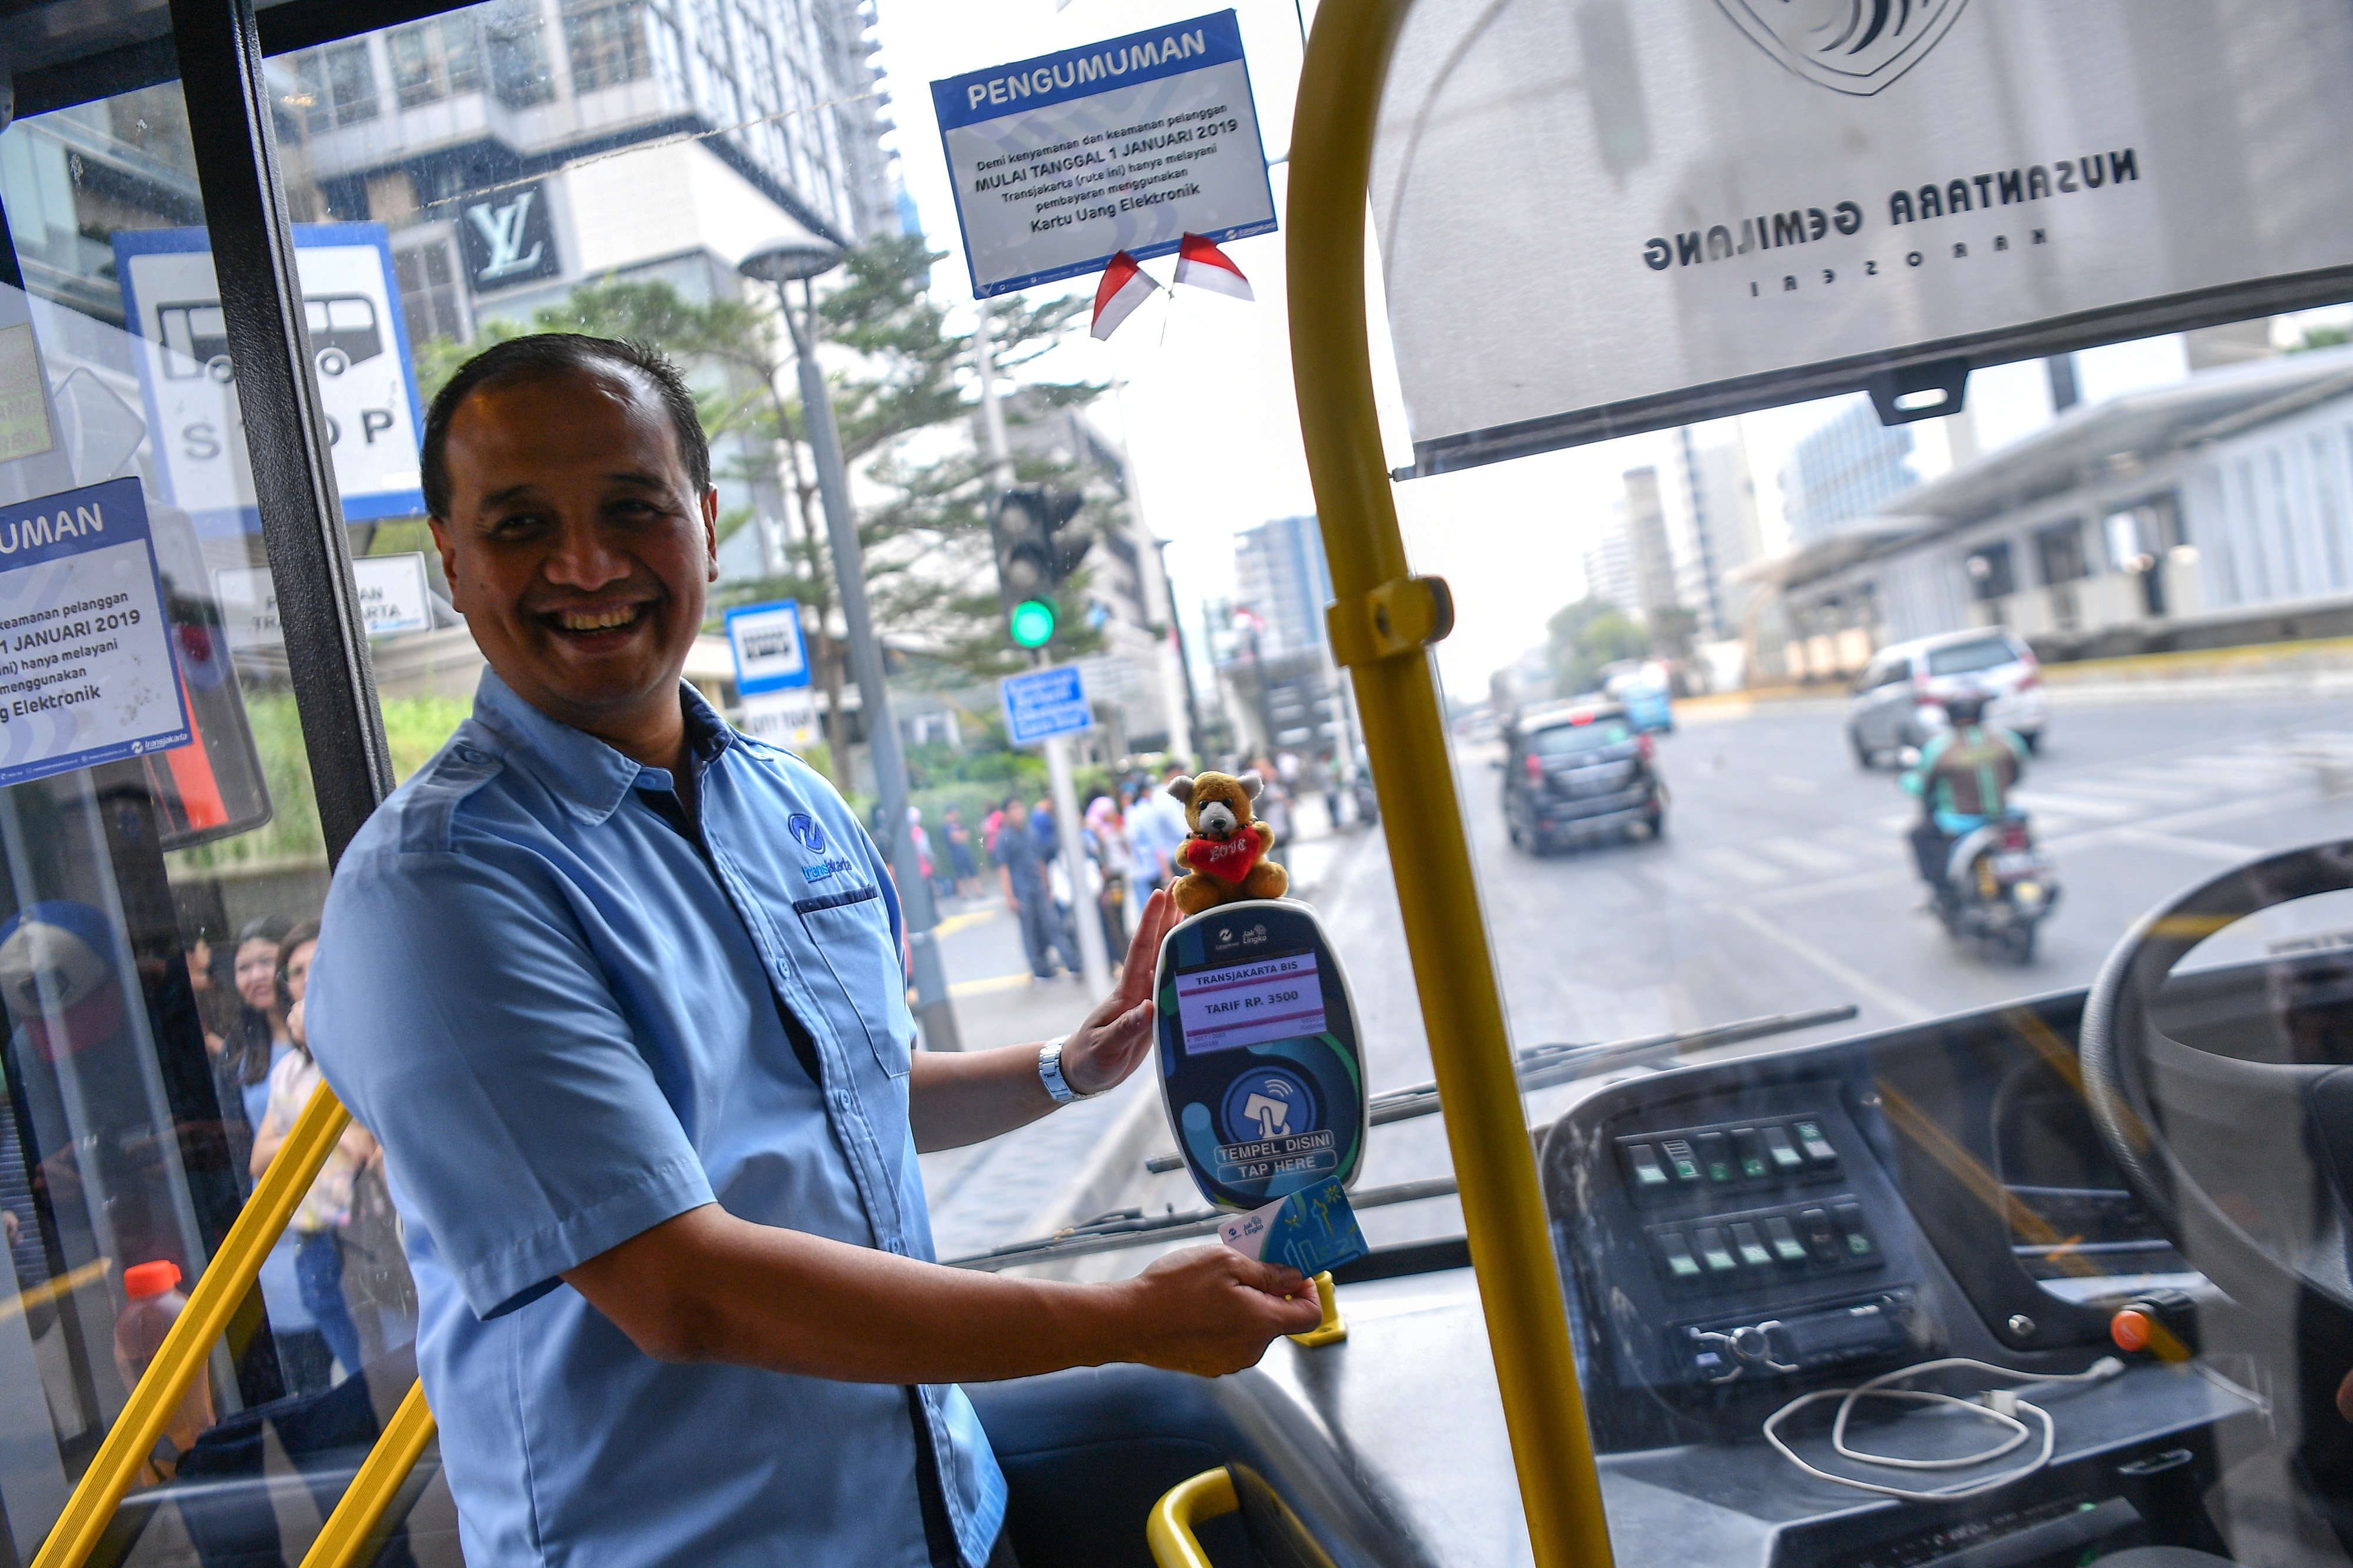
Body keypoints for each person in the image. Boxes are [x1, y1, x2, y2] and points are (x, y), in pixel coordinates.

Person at [306, 335, 1319, 1567]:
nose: (584, 564)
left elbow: (845, 1096)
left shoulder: (789, 805)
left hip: (944, 1509)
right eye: (520, 526)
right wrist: (1117, 1320)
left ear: (710, 527)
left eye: (634, 507)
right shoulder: (441, 889)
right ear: (452, 564)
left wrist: (1069, 1064)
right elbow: (682, 1284)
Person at [248, 925, 376, 1383]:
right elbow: (260, 1159)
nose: (304, 979)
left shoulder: (362, 1044)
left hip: (370, 1234)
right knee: (364, 1374)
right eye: (294, 971)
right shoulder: (288, 1071)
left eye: (314, 963)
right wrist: (324, 1134)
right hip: (314, 1238)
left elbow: (365, 1144)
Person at [1901, 688, 2029, 900]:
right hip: (2005, 816)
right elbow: (2017, 775)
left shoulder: (1941, 748)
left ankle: (1943, 891)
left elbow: (1923, 787)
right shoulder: (2007, 741)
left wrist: (1905, 781)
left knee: (1919, 835)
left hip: (1961, 822)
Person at [944, 806, 980, 900]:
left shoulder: (959, 823)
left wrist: (960, 836)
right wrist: (961, 836)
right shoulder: (947, 826)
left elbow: (967, 835)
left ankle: (978, 892)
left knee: (972, 871)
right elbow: (953, 838)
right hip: (956, 854)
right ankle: (963, 895)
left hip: (965, 851)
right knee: (959, 875)